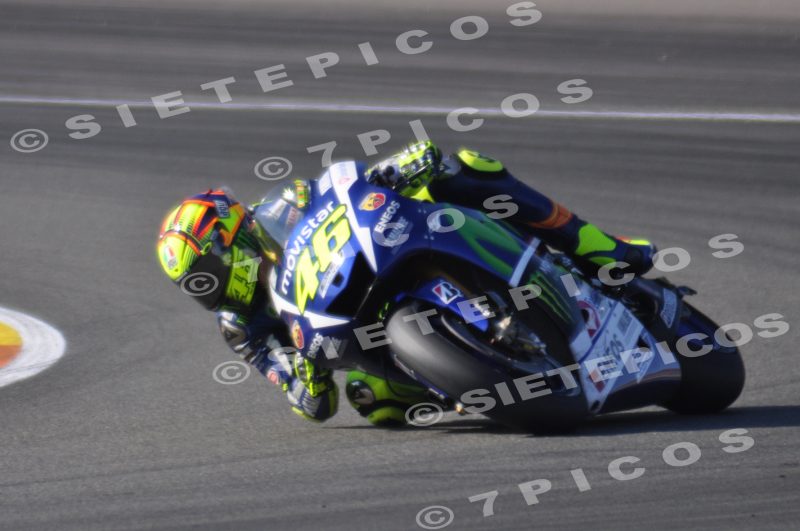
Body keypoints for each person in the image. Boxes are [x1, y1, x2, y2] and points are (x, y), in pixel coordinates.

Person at [156, 141, 656, 427]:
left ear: (232, 241)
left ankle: (597, 246)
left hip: (377, 255)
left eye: (206, 275)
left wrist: (393, 170)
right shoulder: (240, 327)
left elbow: (339, 195)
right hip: (357, 338)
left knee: (462, 168)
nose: (208, 291)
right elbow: (310, 404)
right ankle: (472, 379)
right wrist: (306, 374)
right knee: (372, 402)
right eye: (195, 287)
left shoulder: (283, 205)